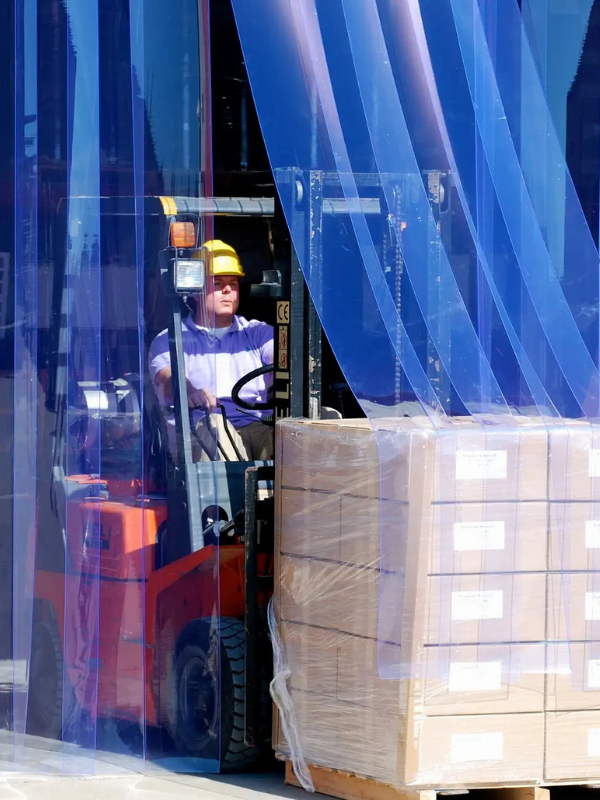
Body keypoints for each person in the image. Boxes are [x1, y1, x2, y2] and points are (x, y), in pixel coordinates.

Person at [149, 240, 274, 461]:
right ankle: (234, 483)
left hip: (257, 424)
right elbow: (168, 379)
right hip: (199, 430)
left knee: (301, 430)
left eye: (233, 283)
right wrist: (189, 390)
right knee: (215, 425)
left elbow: (283, 359)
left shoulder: (258, 333)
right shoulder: (172, 338)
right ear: (196, 292)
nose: (228, 290)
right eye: (217, 283)